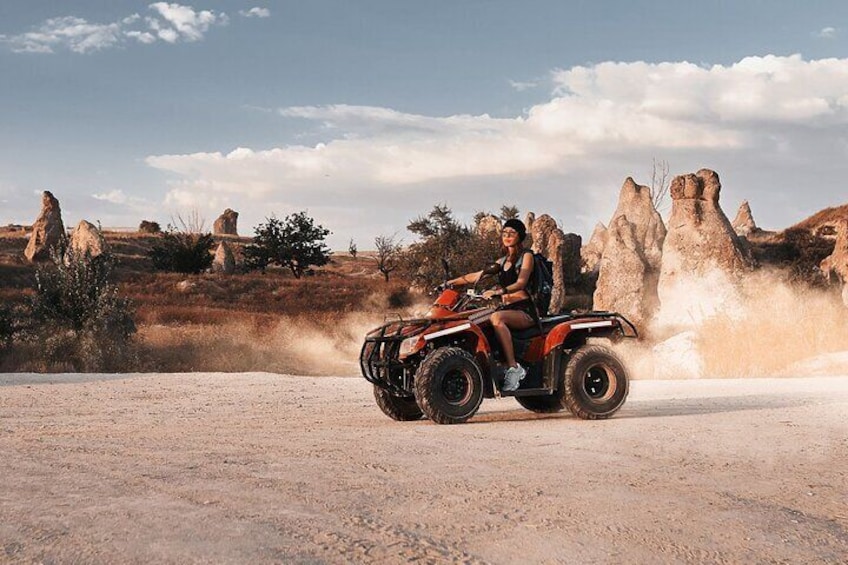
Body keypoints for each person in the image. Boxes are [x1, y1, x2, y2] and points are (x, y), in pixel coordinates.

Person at [446, 218, 536, 391]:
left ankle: (514, 367)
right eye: (504, 233)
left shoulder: (527, 256)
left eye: (512, 233)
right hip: (507, 308)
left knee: (496, 317)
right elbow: (477, 275)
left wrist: (498, 291)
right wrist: (451, 283)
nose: (507, 236)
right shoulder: (502, 261)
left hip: (524, 310)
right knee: (476, 319)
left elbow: (521, 283)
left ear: (520, 236)